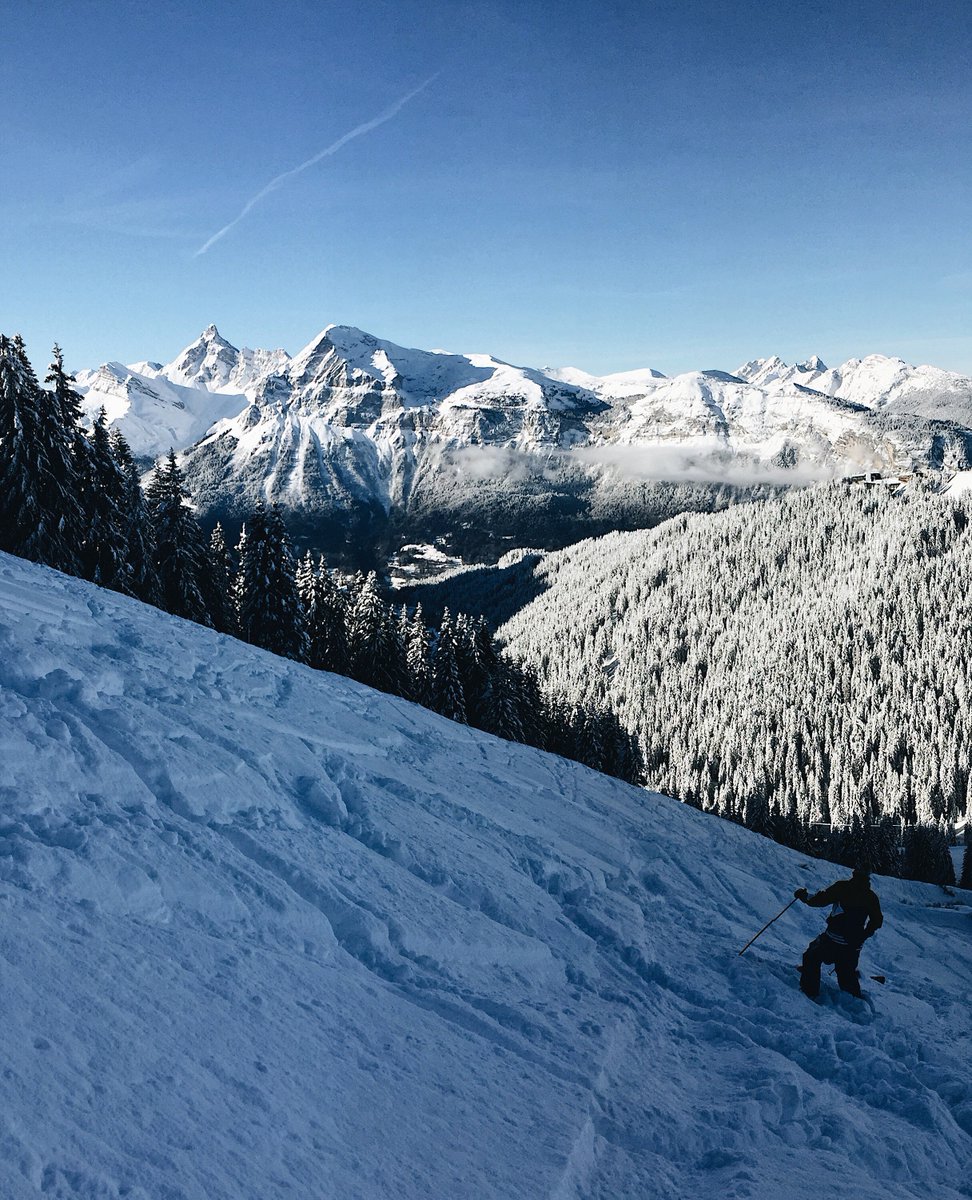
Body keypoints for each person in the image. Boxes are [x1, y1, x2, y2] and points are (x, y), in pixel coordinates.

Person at [794, 867, 883, 998]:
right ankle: (855, 1004)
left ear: (854, 873)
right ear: (868, 877)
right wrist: (863, 936)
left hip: (831, 941)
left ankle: (810, 991)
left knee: (811, 956)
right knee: (847, 975)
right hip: (852, 946)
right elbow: (877, 921)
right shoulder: (871, 897)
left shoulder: (842, 887)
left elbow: (819, 900)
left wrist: (804, 896)